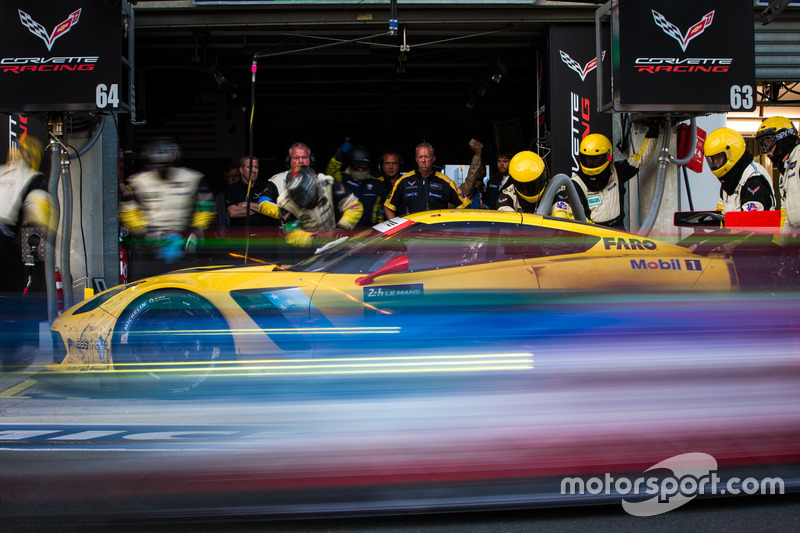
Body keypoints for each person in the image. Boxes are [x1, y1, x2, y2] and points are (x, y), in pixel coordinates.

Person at [119, 138, 215, 280]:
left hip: (181, 247)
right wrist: (145, 232)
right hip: (148, 250)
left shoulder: (191, 179)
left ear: (173, 161)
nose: (162, 169)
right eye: (158, 166)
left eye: (166, 165)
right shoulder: (138, 182)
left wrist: (196, 229)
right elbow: (129, 209)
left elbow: (205, 206)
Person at [0, 137, 53, 369]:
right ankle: (12, 358)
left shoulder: (1, 172)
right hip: (6, 241)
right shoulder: (33, 178)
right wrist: (37, 257)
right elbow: (37, 216)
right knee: (13, 298)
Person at [552, 126, 659, 227]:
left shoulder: (618, 170)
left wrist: (653, 133)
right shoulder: (575, 183)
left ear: (607, 156)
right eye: (588, 159)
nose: (591, 162)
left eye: (596, 159)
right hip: (593, 235)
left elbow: (641, 159)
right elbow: (560, 212)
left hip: (618, 232)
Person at [275, 165, 363, 250]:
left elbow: (354, 206)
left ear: (315, 183)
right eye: (301, 198)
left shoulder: (328, 183)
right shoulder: (284, 203)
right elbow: (292, 233)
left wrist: (342, 227)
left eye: (308, 194)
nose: (307, 200)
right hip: (308, 248)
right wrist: (313, 239)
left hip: (337, 239)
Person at [384, 142, 470, 219]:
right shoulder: (403, 181)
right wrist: (398, 229)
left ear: (433, 159)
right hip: (412, 232)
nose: (423, 160)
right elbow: (388, 207)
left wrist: (450, 219)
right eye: (420, 157)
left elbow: (465, 203)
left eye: (426, 157)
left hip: (438, 232)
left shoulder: (445, 181)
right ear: (416, 159)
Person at [704, 127, 774, 215]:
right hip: (735, 228)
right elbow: (721, 211)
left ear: (731, 153)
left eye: (718, 157)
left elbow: (750, 222)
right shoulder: (729, 179)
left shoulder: (754, 180)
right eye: (712, 160)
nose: (716, 162)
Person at [756, 116, 800, 236]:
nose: (766, 151)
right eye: (763, 145)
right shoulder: (786, 169)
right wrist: (782, 246)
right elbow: (787, 214)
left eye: (768, 143)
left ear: (783, 139)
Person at [326, 143, 387, 227]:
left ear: (369, 165)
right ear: (351, 164)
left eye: (363, 164)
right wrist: (338, 157)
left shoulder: (377, 184)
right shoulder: (342, 179)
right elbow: (330, 174)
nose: (360, 168)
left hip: (370, 232)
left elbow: (379, 211)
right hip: (346, 229)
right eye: (357, 164)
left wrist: (380, 227)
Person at [457, 139, 488, 208]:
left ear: (486, 173)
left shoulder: (489, 190)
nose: (479, 170)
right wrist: (477, 155)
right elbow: (470, 180)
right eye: (478, 168)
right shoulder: (467, 188)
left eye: (481, 168)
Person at [213, 165, 241, 238]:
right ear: (225, 179)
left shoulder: (245, 194)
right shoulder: (220, 197)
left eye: (236, 176)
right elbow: (218, 217)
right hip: (224, 237)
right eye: (230, 176)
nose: (234, 179)